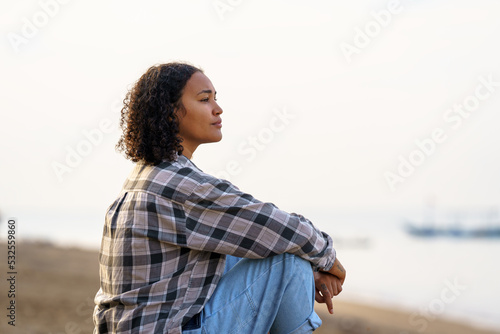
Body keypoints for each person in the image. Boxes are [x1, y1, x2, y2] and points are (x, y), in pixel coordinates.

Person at [93, 62, 346, 334]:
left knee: (250, 250)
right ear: (169, 113)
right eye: (204, 99)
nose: (218, 108)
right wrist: (331, 264)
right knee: (287, 258)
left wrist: (313, 268)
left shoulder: (144, 176)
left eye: (216, 98)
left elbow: (254, 235)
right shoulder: (179, 185)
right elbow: (282, 227)